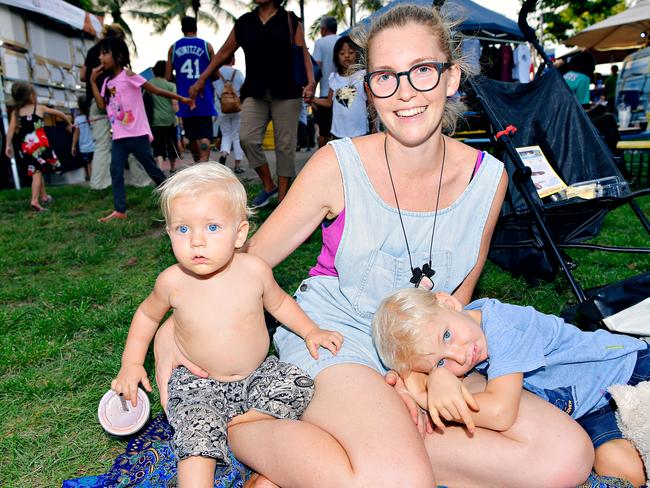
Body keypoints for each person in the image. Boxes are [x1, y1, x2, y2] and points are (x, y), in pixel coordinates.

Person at [155, 5, 594, 487]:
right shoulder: (336, 165)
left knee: (564, 458)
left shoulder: (488, 179)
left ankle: (350, 450)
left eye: (423, 71)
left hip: (422, 346)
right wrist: (169, 327)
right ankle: (250, 427)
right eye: (385, 76)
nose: (404, 91)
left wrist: (433, 372)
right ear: (369, 91)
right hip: (335, 338)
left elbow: (459, 292)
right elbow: (246, 262)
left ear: (452, 78)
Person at [112, 162, 343, 486]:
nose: (196, 242)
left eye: (212, 227)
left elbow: (279, 303)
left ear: (240, 233)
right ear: (169, 233)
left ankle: (241, 429)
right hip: (199, 385)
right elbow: (147, 316)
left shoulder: (255, 271)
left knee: (298, 382)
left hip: (257, 374)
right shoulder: (172, 282)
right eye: (182, 229)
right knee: (196, 431)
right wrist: (132, 363)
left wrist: (310, 330)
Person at [372, 287, 649, 486]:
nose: (460, 355)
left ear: (448, 303)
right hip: (588, 411)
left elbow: (500, 413)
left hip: (627, 370)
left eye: (447, 336)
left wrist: (425, 397)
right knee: (623, 469)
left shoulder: (505, 326)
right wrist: (433, 376)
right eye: (441, 362)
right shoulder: (466, 341)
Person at [187, 0, 315, 208]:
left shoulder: (290, 20)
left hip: (288, 91)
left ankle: (283, 201)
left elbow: (302, 54)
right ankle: (268, 185)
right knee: (247, 138)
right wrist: (202, 79)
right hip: (255, 91)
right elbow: (223, 53)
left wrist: (310, 83)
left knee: (285, 145)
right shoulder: (244, 23)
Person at [89, 37, 193, 222]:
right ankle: (120, 210)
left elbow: (155, 90)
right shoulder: (106, 83)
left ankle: (176, 200)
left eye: (104, 53)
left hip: (137, 134)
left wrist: (182, 99)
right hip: (119, 137)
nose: (100, 57)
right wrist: (92, 81)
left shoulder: (128, 75)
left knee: (152, 169)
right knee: (115, 170)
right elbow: (100, 105)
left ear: (118, 56)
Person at [4, 81, 72, 212]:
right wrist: (69, 123)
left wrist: (8, 145)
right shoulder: (39, 108)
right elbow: (60, 114)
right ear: (30, 95)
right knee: (37, 172)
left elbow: (11, 130)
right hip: (40, 145)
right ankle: (34, 200)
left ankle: (44, 197)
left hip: (26, 147)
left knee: (37, 170)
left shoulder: (15, 112)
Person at [166, 16, 218, 163]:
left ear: (182, 29)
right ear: (196, 27)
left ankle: (199, 163)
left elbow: (168, 76)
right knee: (205, 135)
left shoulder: (173, 48)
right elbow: (214, 73)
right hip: (204, 97)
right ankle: (204, 161)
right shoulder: (207, 46)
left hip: (185, 99)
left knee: (192, 136)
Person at [311, 36, 369, 139]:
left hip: (360, 130)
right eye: (342, 53)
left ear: (357, 54)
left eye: (351, 52)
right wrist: (312, 99)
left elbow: (371, 101)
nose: (346, 56)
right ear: (336, 56)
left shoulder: (363, 76)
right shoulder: (333, 78)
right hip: (338, 132)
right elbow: (329, 102)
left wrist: (375, 125)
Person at [213, 54, 245, 174]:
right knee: (236, 136)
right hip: (237, 108)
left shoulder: (216, 73)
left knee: (225, 134)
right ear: (233, 60)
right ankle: (237, 165)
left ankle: (224, 155)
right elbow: (244, 88)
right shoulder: (237, 73)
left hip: (221, 109)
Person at [149, 60, 180, 174]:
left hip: (156, 120)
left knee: (158, 145)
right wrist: (179, 115)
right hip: (170, 120)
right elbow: (175, 104)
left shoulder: (149, 84)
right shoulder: (171, 85)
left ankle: (160, 168)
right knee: (171, 144)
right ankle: (172, 168)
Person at [312, 16, 339, 148]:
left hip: (324, 94)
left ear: (324, 29)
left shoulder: (320, 43)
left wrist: (312, 96)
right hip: (344, 92)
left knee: (324, 132)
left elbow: (316, 69)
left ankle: (323, 160)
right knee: (340, 130)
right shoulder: (343, 41)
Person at [71, 94, 95, 181]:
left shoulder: (78, 119)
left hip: (84, 147)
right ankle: (96, 180)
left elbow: (76, 134)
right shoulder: (94, 117)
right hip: (95, 144)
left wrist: (73, 146)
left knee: (89, 164)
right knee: (94, 163)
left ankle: (93, 181)